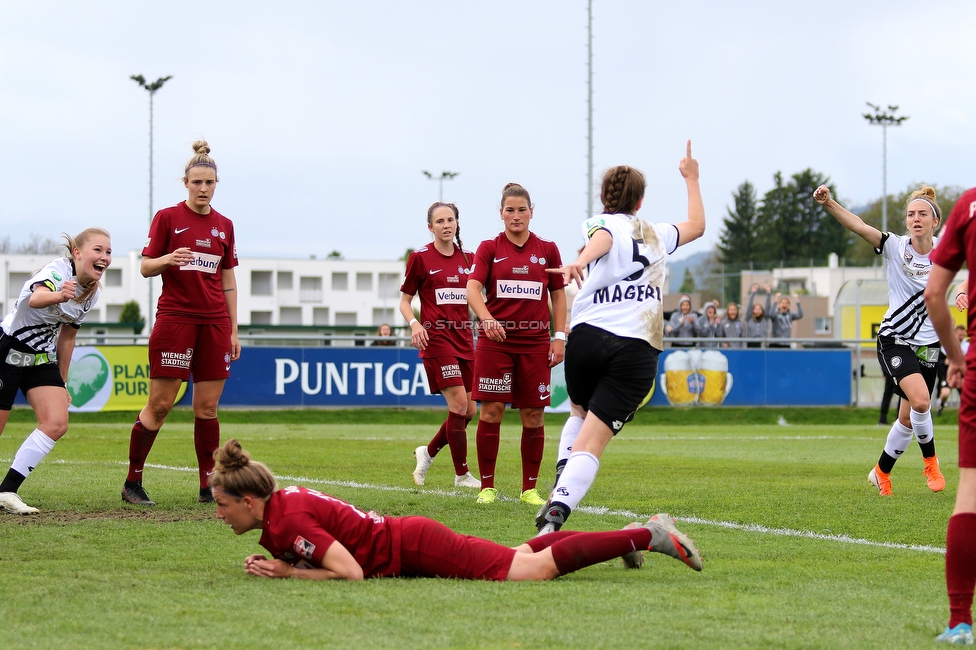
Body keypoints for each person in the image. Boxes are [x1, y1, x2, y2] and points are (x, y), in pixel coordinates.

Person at [210, 438, 702, 581]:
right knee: (520, 555)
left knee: (529, 573)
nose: (219, 514)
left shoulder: (288, 519)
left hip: (415, 546)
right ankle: (628, 534)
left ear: (249, 500)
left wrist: (288, 573)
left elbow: (351, 573)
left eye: (222, 505)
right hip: (412, 539)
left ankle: (649, 534)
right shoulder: (283, 505)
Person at [536, 141, 705, 537]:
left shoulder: (598, 222)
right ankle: (557, 510)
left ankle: (564, 476)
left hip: (590, 336)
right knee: (593, 440)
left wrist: (579, 260)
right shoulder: (658, 233)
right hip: (637, 346)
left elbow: (604, 239)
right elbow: (696, 226)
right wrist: (691, 178)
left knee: (578, 413)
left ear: (603, 198)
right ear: (641, 201)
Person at [122, 141, 240, 506]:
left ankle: (209, 486)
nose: (203, 188)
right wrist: (169, 259)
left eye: (210, 182)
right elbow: (144, 267)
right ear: (185, 183)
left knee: (207, 409)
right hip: (176, 319)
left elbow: (229, 281)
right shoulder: (167, 218)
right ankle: (132, 482)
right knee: (160, 404)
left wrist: (234, 329)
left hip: (215, 323)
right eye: (197, 182)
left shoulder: (224, 225)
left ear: (217, 184)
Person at [815, 184, 945, 496]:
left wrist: (966, 290)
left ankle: (881, 472)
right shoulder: (894, 246)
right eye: (911, 214)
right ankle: (931, 463)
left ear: (935, 221)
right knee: (922, 402)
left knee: (907, 419)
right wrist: (830, 203)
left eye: (922, 214)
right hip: (895, 338)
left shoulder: (945, 252)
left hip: (928, 343)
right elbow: (858, 225)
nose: (915, 218)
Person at [466, 183, 567, 505]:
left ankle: (529, 490)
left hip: (535, 344)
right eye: (510, 210)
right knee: (491, 412)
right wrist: (487, 318)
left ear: (531, 212)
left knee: (533, 417)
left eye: (522, 209)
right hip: (495, 344)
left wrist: (560, 336)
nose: (516, 216)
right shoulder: (489, 248)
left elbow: (559, 295)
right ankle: (487, 488)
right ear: (501, 214)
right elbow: (471, 290)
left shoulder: (547, 249)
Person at [0, 229, 112, 514]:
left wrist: (62, 383)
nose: (104, 257)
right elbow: (35, 300)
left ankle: (7, 491)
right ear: (77, 253)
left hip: (41, 357)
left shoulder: (91, 294)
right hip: (9, 349)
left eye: (108, 252)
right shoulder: (57, 271)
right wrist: (59, 295)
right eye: (98, 250)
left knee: (56, 422)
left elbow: (68, 337)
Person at [923, 184, 976, 644]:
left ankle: (960, 620)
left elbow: (934, 294)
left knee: (970, 493)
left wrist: (956, 358)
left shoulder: (968, 204)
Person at [400, 202, 480, 489]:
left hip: (464, 340)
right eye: (440, 221)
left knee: (469, 411)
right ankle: (462, 475)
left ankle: (427, 451)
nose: (446, 225)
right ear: (430, 226)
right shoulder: (419, 258)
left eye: (450, 220)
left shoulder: (470, 258)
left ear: (457, 223)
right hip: (436, 340)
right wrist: (415, 324)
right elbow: (405, 302)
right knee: (458, 404)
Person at [937, 325, 969, 416]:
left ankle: (965, 413)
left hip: (963, 376)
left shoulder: (968, 347)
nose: (961, 338)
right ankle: (941, 405)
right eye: (959, 336)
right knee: (945, 393)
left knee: (966, 397)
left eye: (963, 336)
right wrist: (944, 362)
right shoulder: (946, 347)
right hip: (949, 375)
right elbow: (939, 362)